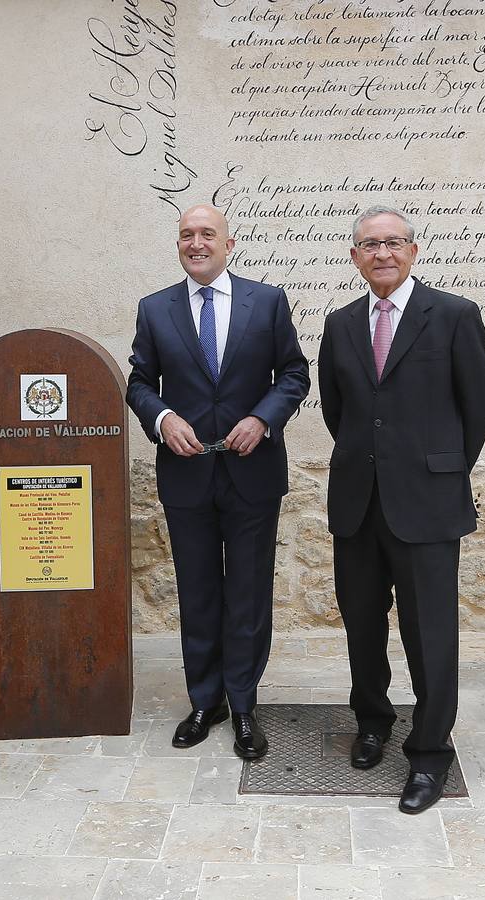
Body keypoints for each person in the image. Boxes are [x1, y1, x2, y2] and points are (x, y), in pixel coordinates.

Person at [318, 205, 485, 814]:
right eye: (370, 245)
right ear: (355, 257)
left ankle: (429, 754)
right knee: (362, 627)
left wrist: (438, 468)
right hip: (358, 505)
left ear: (413, 251)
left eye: (394, 243)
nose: (382, 254)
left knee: (430, 634)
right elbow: (337, 412)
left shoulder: (452, 315)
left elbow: (478, 408)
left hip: (428, 505)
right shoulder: (340, 325)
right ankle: (372, 722)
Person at [126, 205, 309, 759]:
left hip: (252, 473)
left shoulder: (268, 302)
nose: (197, 243)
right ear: (178, 245)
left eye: (208, 234)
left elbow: (295, 374)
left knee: (249, 594)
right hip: (186, 475)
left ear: (230, 244)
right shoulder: (155, 310)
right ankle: (205, 700)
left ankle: (245, 703)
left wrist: (262, 418)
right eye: (187, 235)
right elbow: (139, 382)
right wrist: (162, 419)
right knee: (198, 591)